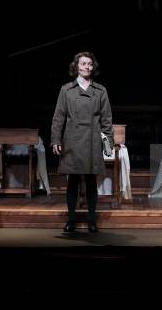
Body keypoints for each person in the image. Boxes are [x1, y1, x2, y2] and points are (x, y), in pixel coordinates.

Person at [51, 51, 113, 233]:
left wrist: (108, 142)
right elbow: (58, 117)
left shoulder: (100, 90)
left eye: (89, 64)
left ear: (93, 67)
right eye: (83, 63)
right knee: (73, 181)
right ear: (76, 66)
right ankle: (71, 220)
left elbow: (106, 118)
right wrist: (55, 139)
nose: (86, 67)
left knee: (91, 181)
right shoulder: (66, 90)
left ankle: (92, 220)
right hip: (72, 140)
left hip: (93, 139)